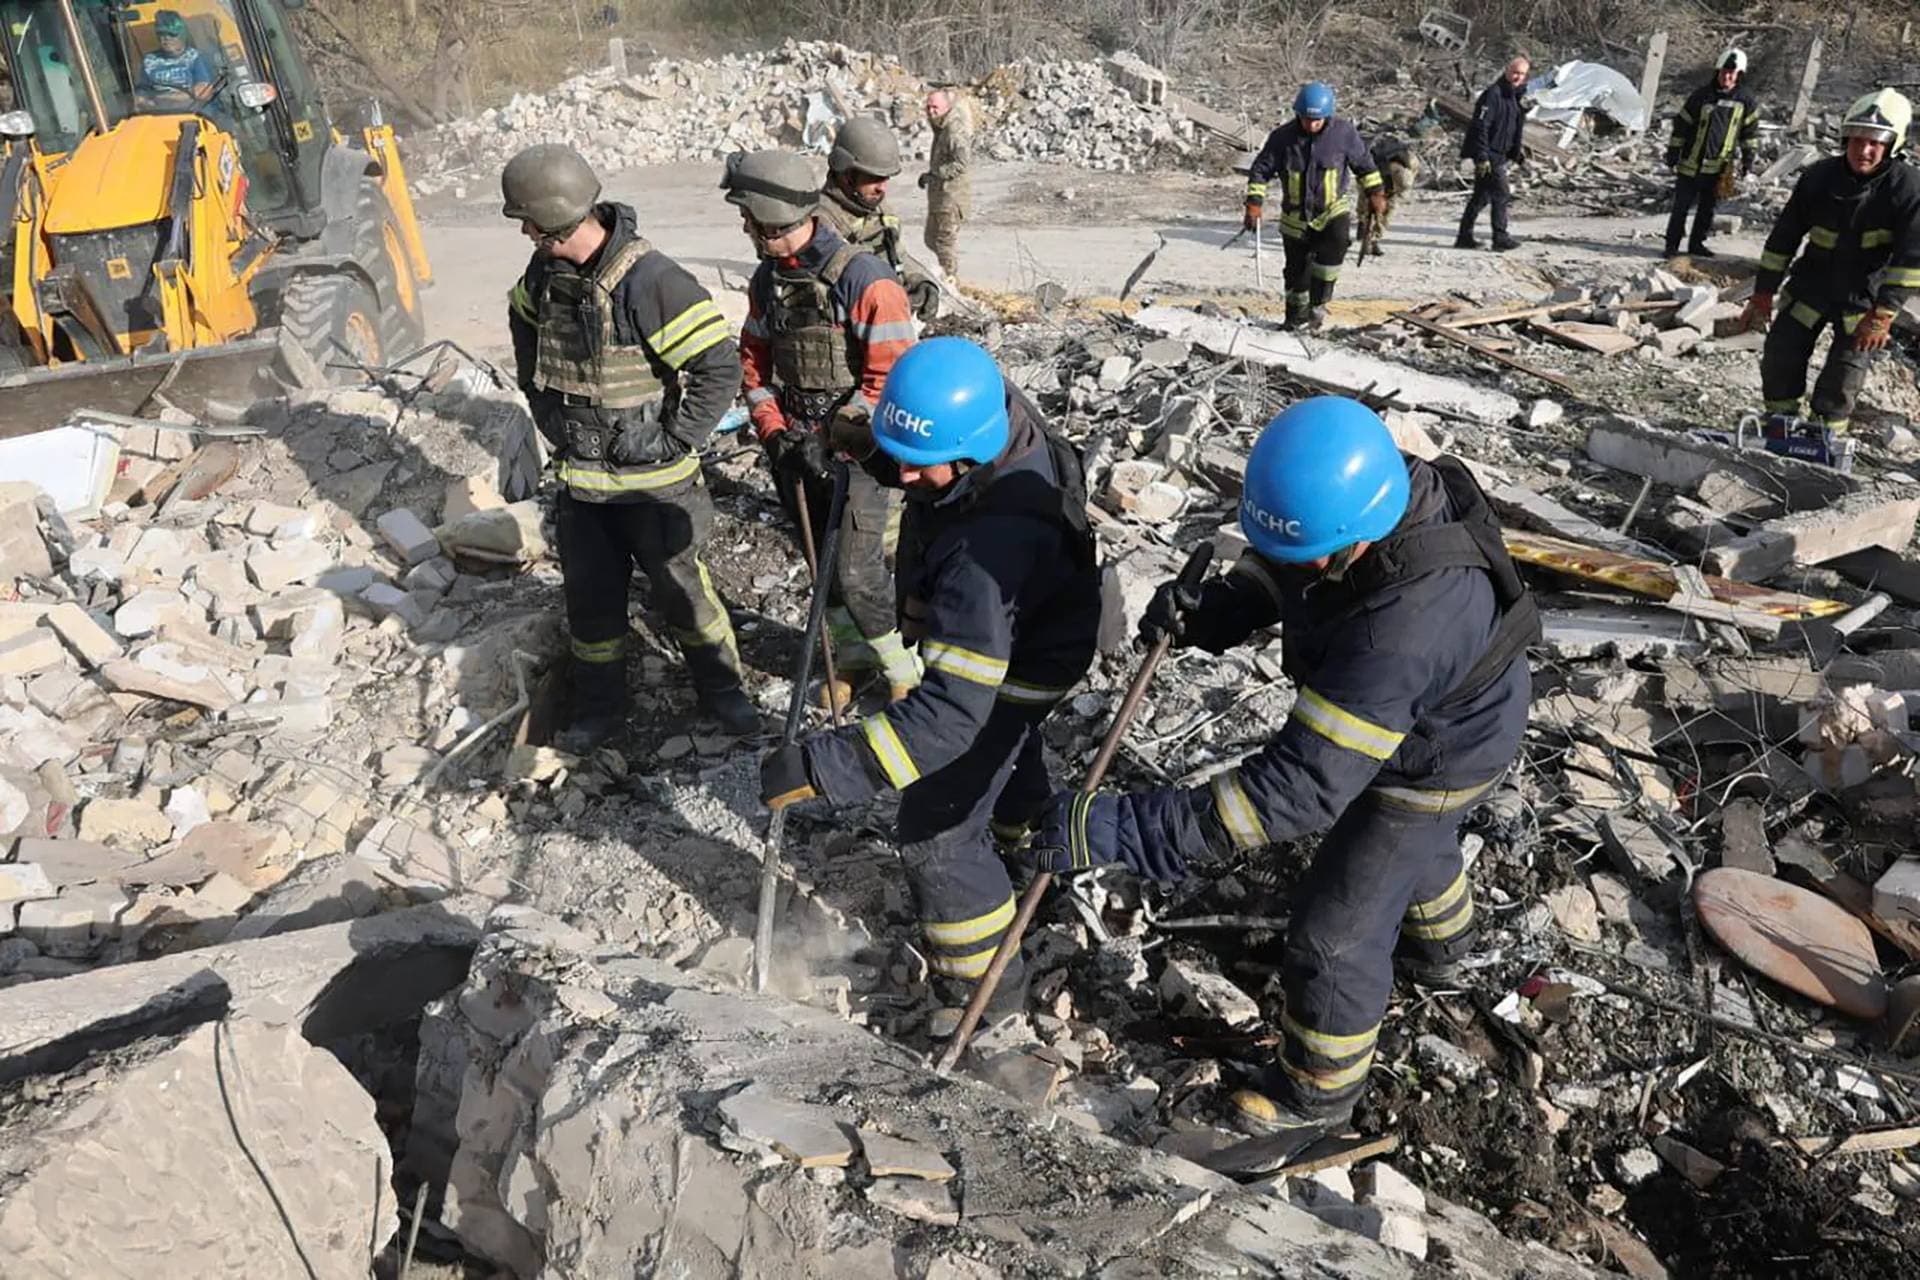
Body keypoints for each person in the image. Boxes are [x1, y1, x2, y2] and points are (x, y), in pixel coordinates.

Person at [1029, 396, 1537, 1169]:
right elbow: (1286, 568)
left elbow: (1291, 794)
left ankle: (1316, 1090)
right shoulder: (1362, 490)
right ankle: (1446, 948)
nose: (1292, 563)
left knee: (1333, 937)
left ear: (1356, 540)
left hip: (1440, 753)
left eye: (1307, 556)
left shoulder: (1401, 628)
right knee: (1408, 852)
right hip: (1432, 710)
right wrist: (1218, 611)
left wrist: (1122, 829)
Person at [759, 337, 1101, 1029]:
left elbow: (948, 716)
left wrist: (823, 767)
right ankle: (1029, 845)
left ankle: (984, 1000)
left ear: (970, 455)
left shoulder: (988, 554)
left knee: (935, 830)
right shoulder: (981, 402)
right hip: (1037, 617)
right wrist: (856, 444)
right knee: (1003, 755)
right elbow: (923, 455)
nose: (907, 479)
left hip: (1026, 656)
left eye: (920, 467)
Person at [502, 143, 759, 748]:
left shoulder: (650, 280)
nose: (522, 230)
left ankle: (725, 695)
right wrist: (545, 410)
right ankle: (602, 713)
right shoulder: (543, 277)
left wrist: (674, 438)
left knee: (684, 596)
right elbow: (523, 330)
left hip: (654, 489)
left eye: (527, 220)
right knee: (591, 610)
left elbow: (720, 366)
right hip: (582, 490)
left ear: (551, 219)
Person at [723, 148, 922, 708]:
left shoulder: (865, 280)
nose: (745, 228)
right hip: (797, 449)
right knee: (822, 565)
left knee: (859, 572)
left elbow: (889, 377)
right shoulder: (768, 281)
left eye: (750, 219)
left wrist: (831, 435)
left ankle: (903, 673)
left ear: (773, 218)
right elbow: (754, 360)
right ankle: (850, 659)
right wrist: (773, 431)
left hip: (859, 454)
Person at [1746, 89, 1920, 443]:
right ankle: (1778, 429)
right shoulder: (1818, 178)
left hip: (1863, 301)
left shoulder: (1908, 189)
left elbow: (1912, 260)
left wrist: (1885, 312)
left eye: (1875, 142)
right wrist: (1763, 292)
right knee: (1781, 354)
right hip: (1811, 287)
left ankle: (1824, 442)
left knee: (1844, 375)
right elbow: (1783, 240)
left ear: (1893, 145)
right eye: (1857, 140)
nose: (1864, 150)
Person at [1243, 82, 1385, 330]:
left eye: (1317, 120)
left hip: (1332, 211)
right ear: (1297, 113)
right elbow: (1260, 170)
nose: (1311, 124)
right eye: (1307, 119)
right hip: (1295, 219)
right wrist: (1254, 204)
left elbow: (1365, 165)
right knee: (1297, 274)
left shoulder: (1344, 134)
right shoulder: (1282, 138)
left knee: (1333, 254)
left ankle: (1317, 310)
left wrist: (1376, 193)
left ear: (1327, 115)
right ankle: (1295, 318)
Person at [817, 115, 942, 321]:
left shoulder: (880, 208)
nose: (882, 187)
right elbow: (846, 280)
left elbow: (898, 256)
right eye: (873, 178)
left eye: (886, 178)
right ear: (846, 174)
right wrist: (893, 298)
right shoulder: (820, 221)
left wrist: (920, 281)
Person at [1664, 49, 1761, 259]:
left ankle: (1697, 244)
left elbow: (1750, 135)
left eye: (1731, 73)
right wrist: (1673, 153)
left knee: (1708, 209)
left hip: (1719, 167)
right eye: (1724, 72)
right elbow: (1681, 126)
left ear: (1739, 75)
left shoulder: (1746, 101)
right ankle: (1671, 246)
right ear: (1717, 71)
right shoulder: (1701, 96)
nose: (1726, 77)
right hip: (1691, 164)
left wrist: (1748, 162)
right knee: (1680, 207)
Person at [1456, 57, 1531, 251]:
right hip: (1489, 154)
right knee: (1502, 193)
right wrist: (1482, 155)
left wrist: (1516, 153)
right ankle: (1500, 237)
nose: (1518, 77)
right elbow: (1480, 126)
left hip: (1501, 153)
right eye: (1515, 72)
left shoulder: (1514, 97)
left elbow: (1514, 128)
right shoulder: (1493, 95)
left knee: (1480, 197)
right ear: (1507, 70)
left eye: (1522, 74)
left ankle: (1464, 237)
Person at [921, 89, 974, 279]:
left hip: (951, 198)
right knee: (930, 238)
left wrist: (938, 174)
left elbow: (961, 163)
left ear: (946, 108)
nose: (931, 112)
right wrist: (929, 176)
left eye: (935, 107)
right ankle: (947, 273)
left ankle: (951, 280)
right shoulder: (941, 129)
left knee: (944, 243)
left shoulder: (954, 130)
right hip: (939, 197)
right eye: (928, 107)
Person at [137, 10, 214, 109]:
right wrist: (145, 101)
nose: (166, 38)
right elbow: (141, 95)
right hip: (160, 115)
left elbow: (203, 92)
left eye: (172, 34)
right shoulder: (149, 61)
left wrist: (161, 98)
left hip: (193, 112)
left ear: (182, 34)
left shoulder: (194, 57)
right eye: (161, 34)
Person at [1361, 134, 1421, 256]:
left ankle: (1374, 240)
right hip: (1372, 177)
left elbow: (1405, 186)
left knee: (1387, 211)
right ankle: (1366, 236)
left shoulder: (1410, 163)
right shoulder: (1377, 165)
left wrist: (1393, 195)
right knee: (1370, 209)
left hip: (1391, 182)